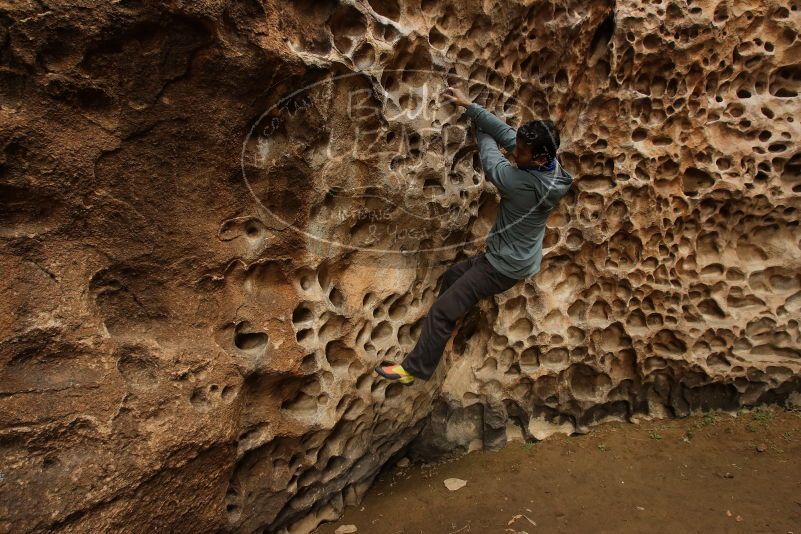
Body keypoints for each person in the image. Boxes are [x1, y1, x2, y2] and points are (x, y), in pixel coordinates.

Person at [374, 86, 574, 385]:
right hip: (512, 258)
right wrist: (470, 107)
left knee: (441, 311)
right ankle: (445, 330)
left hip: (500, 267)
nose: (515, 152)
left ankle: (413, 370)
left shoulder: (522, 186)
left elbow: (492, 157)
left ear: (538, 157)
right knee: (453, 278)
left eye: (520, 152)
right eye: (518, 148)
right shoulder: (551, 165)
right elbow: (508, 136)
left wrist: (477, 125)